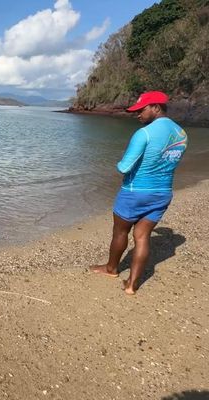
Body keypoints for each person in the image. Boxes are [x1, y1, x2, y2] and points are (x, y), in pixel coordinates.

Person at [90, 91, 188, 295]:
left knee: (120, 232)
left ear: (156, 108)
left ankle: (111, 269)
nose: (138, 115)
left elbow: (124, 167)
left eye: (141, 110)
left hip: (135, 192)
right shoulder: (181, 134)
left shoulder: (144, 133)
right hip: (162, 193)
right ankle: (132, 285)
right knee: (142, 237)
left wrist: (117, 162)